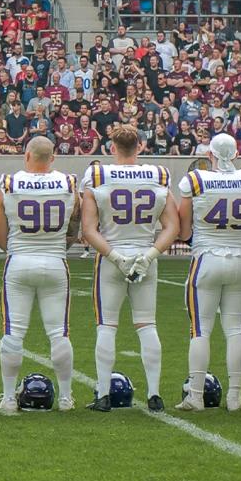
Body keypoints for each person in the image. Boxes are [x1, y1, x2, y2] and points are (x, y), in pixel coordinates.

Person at [79, 128, 178, 412]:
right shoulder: (158, 175)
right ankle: (155, 395)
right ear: (140, 146)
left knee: (107, 326)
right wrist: (149, 256)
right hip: (145, 255)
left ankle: (103, 395)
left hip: (112, 256)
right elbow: (173, 227)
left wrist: (116, 257)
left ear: (112, 147)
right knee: (147, 325)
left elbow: (88, 229)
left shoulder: (98, 176)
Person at [0, 135, 80, 414]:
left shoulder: (9, 183)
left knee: (14, 331)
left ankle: (8, 398)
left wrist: (14, 249)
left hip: (19, 260)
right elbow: (74, 225)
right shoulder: (68, 184)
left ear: (26, 155)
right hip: (55, 261)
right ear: (52, 158)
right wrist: (58, 248)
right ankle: (65, 398)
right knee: (58, 332)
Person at [176, 134, 241, 412]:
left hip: (207, 259)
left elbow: (183, 231)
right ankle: (235, 397)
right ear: (235, 154)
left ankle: (196, 396)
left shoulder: (196, 180)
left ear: (209, 154)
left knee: (200, 330)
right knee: (235, 329)